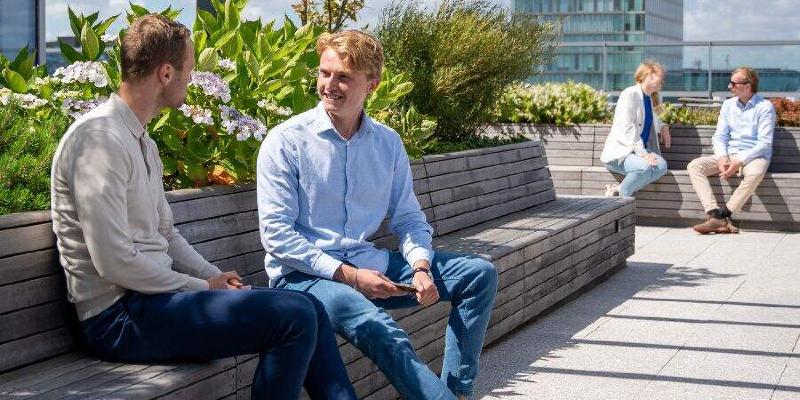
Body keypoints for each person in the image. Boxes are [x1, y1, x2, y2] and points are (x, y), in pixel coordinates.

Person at [50, 14, 356, 400]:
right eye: (189, 69)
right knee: (292, 318)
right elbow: (114, 263)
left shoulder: (141, 140)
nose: (191, 78)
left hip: (155, 302)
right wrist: (203, 286)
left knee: (308, 305)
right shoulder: (99, 142)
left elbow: (165, 234)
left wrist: (215, 277)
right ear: (166, 73)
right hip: (118, 318)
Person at [257, 30, 498, 400]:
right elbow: (277, 236)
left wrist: (420, 267)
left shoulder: (387, 143)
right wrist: (352, 277)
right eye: (324, 73)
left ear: (372, 84)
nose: (329, 85)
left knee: (478, 274)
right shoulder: (286, 141)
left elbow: (409, 218)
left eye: (343, 77)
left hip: (368, 264)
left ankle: (457, 393)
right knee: (381, 327)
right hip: (302, 277)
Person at [688, 67, 776, 234]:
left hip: (754, 156)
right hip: (730, 153)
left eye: (734, 84)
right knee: (695, 166)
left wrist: (739, 161)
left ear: (748, 86)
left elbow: (764, 143)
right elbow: (720, 136)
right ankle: (714, 214)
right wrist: (722, 157)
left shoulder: (765, 107)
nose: (730, 87)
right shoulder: (728, 105)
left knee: (756, 173)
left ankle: (724, 214)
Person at [600, 60, 672, 197]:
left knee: (661, 167)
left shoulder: (649, 98)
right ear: (648, 75)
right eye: (660, 76)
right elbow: (628, 128)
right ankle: (621, 198)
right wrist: (644, 155)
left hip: (637, 154)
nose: (662, 80)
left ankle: (618, 191)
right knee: (643, 168)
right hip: (621, 155)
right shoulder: (630, 94)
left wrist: (663, 126)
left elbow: (653, 118)